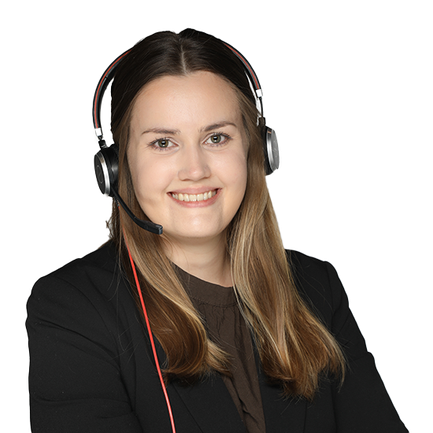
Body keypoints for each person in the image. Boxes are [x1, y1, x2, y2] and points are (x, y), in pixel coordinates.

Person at [27, 28, 409, 432]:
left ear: (256, 150)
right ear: (117, 166)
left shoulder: (316, 287)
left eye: (216, 137)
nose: (195, 170)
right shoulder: (71, 309)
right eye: (163, 143)